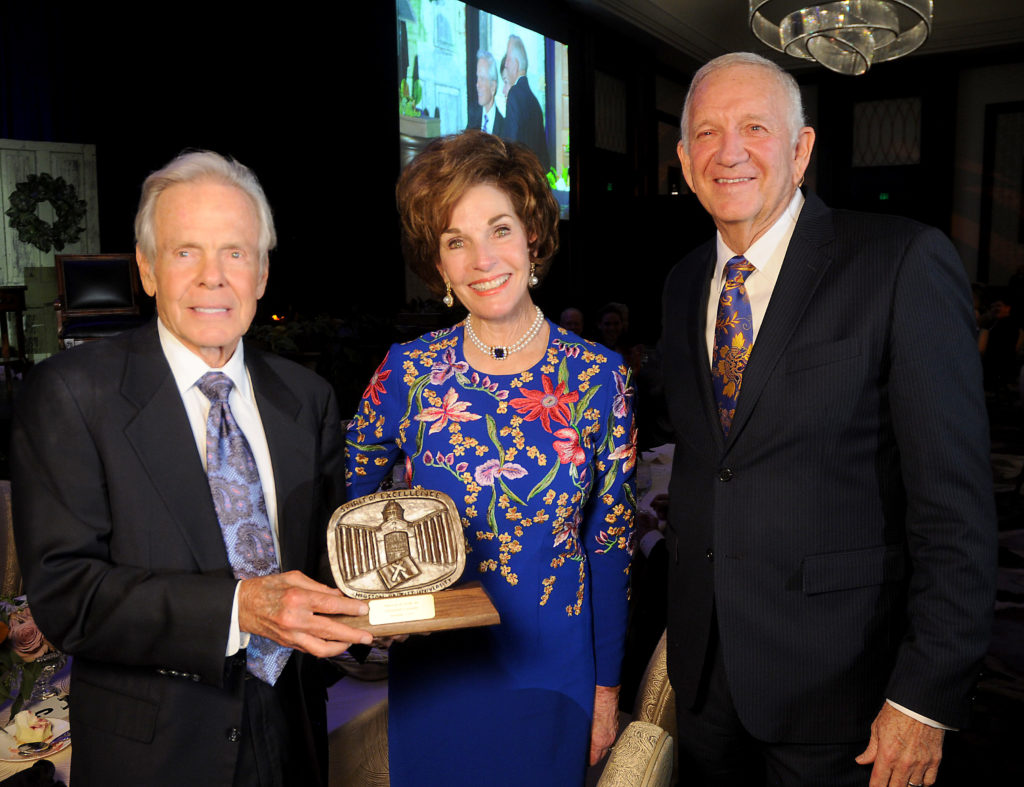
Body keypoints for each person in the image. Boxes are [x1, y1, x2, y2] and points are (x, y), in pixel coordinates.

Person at [658, 52, 995, 787]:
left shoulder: (900, 262)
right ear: (685, 159)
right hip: (707, 682)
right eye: (708, 133)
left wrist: (924, 695)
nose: (731, 151)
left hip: (848, 692)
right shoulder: (683, 283)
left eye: (755, 126)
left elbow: (956, 510)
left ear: (802, 147)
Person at [11, 151, 372, 786]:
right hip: (155, 754)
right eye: (186, 252)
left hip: (294, 735)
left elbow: (324, 562)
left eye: (235, 252)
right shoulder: (72, 394)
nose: (214, 277)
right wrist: (240, 609)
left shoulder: (307, 398)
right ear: (147, 269)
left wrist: (374, 611)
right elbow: (67, 596)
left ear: (261, 273)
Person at [347, 130, 635, 786]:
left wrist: (606, 691)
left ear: (533, 235)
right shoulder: (408, 372)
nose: (482, 258)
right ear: (439, 264)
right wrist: (368, 605)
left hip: (554, 679)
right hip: (436, 680)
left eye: (499, 229)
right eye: (456, 240)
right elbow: (341, 501)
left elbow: (611, 547)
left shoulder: (600, 377)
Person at [503, 34, 550, 171]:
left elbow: (509, 145)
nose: (505, 64)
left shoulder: (514, 94)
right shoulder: (535, 103)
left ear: (516, 65)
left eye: (508, 59)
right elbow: (544, 159)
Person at [467, 50, 504, 136]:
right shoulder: (473, 117)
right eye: (477, 78)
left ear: (493, 87)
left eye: (482, 79)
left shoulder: (503, 127)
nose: (477, 85)